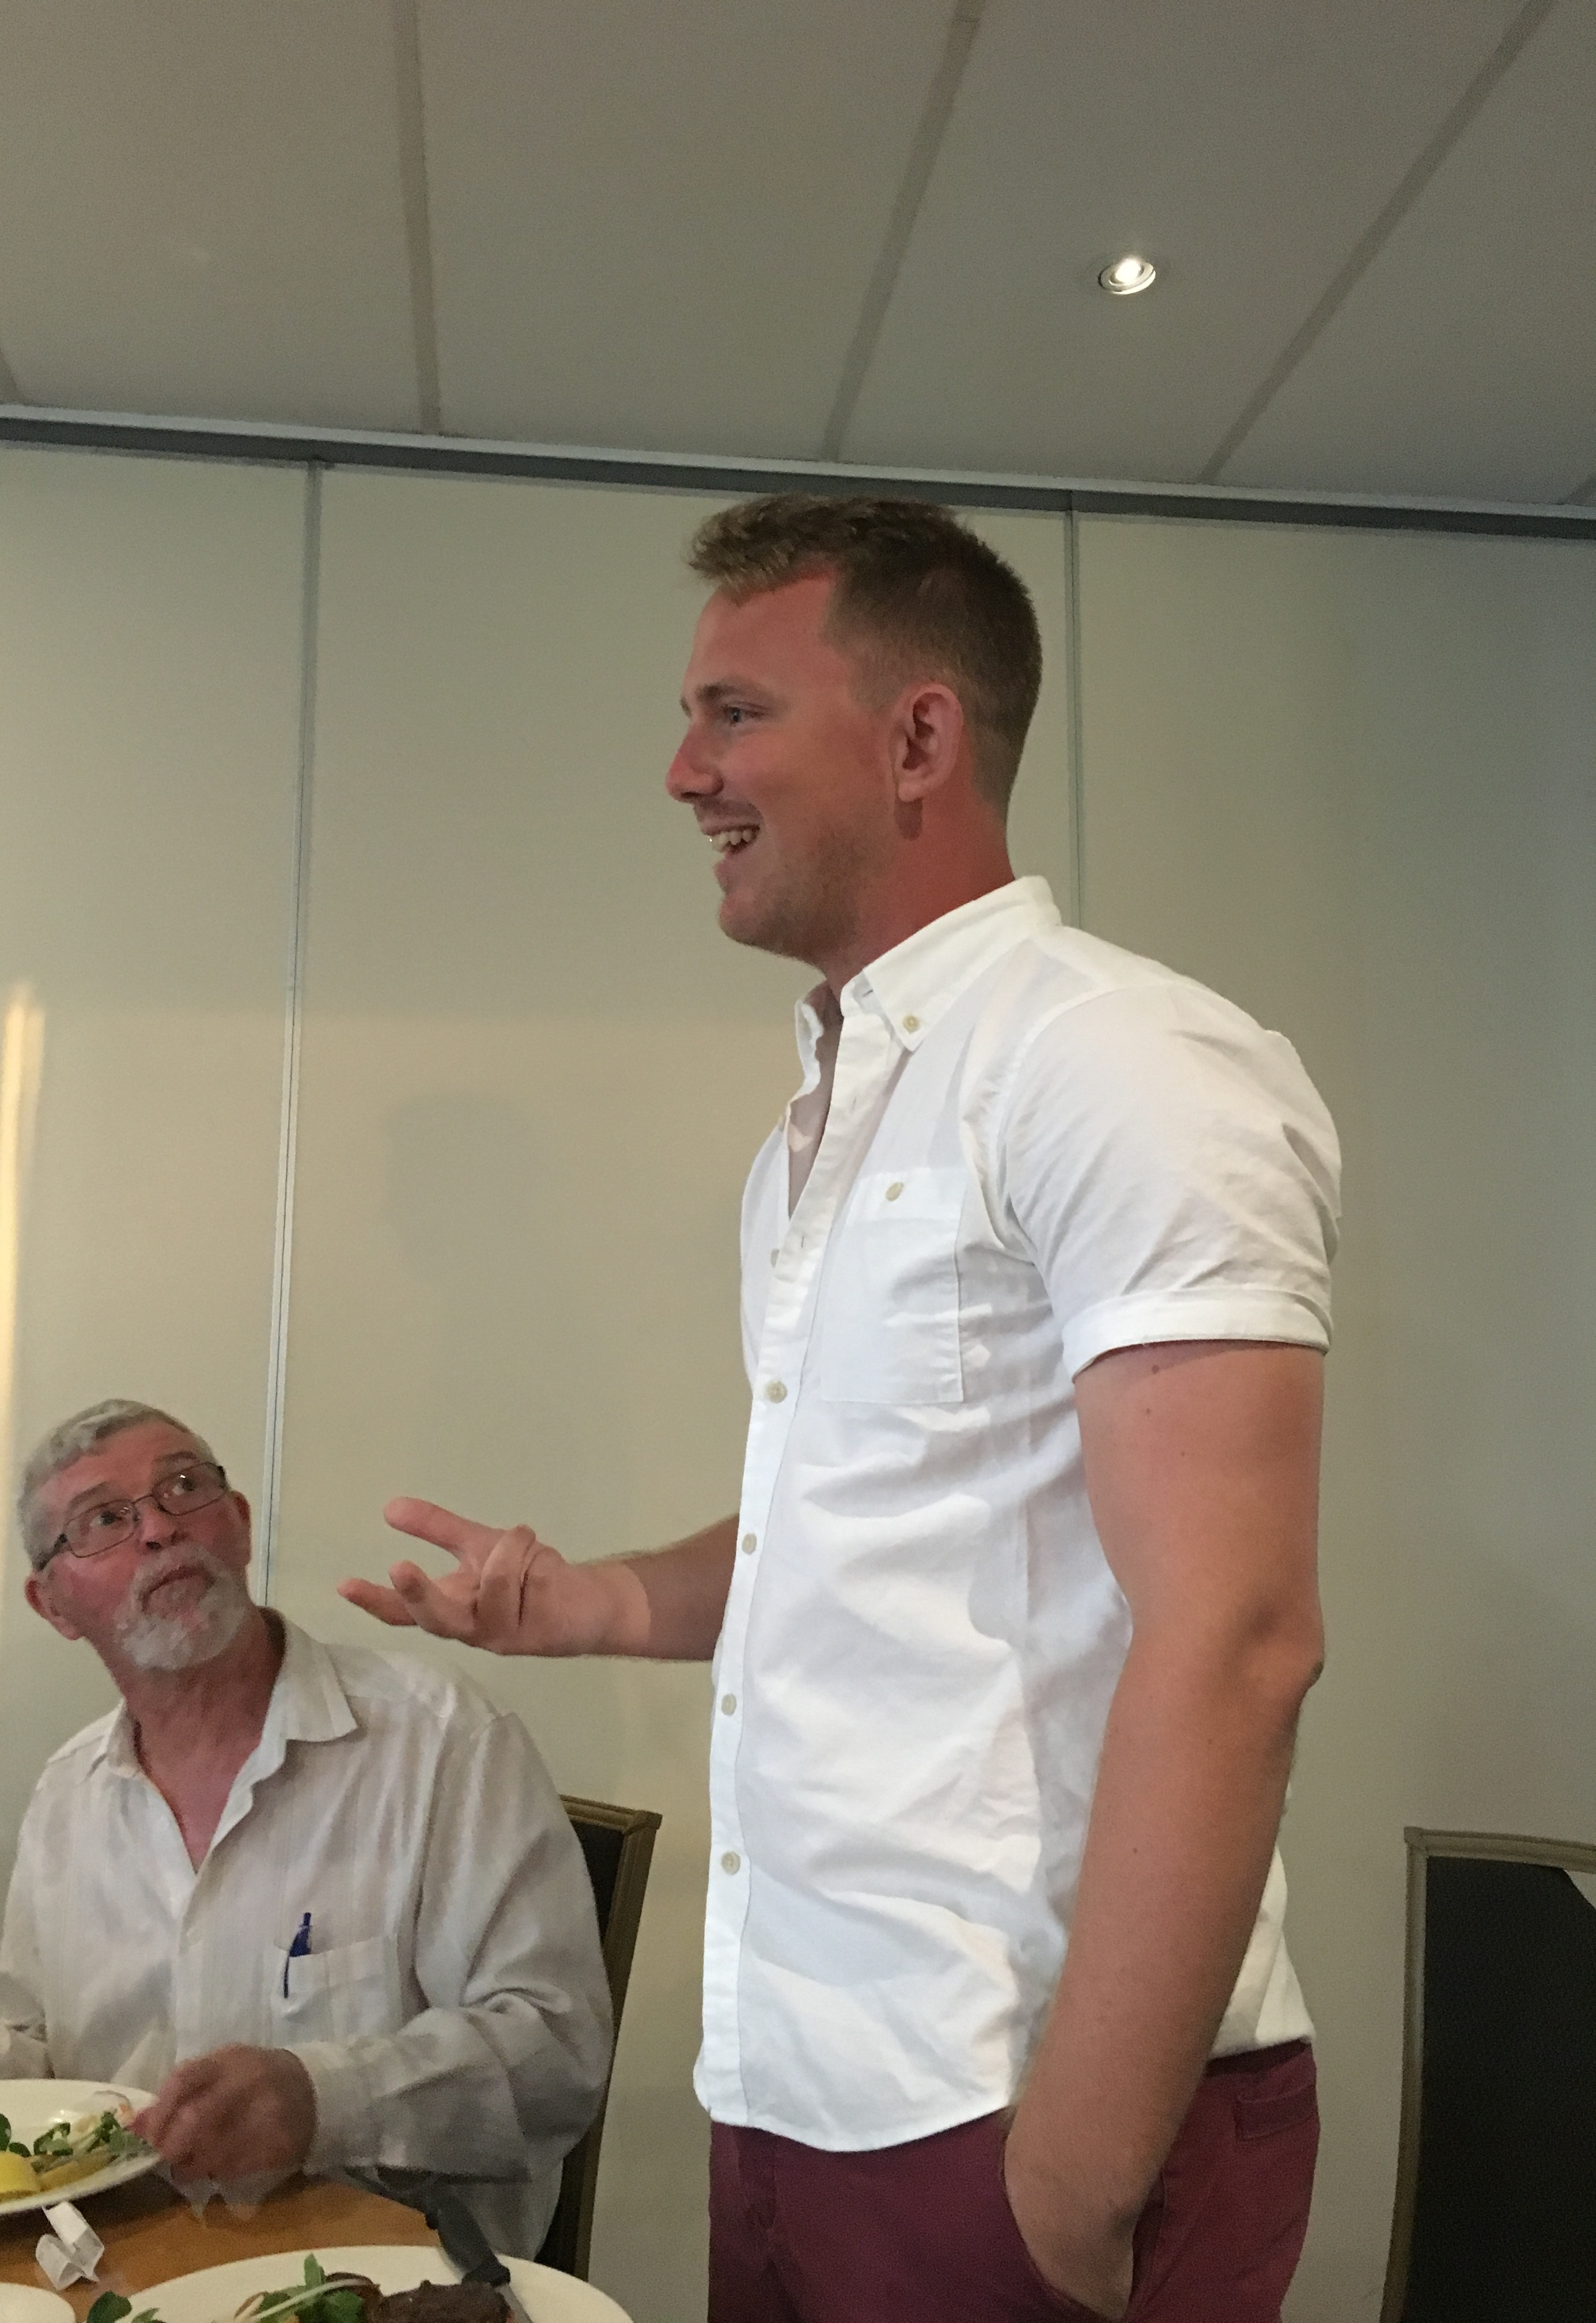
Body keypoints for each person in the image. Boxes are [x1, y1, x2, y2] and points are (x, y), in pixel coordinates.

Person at [340, 494, 1341, 2322]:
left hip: (1018, 2109)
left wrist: (1069, 2182)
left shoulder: (1113, 1059)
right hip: (799, 2087)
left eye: (734, 713)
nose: (681, 772)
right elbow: (866, 1523)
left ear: (919, 740)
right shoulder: (818, 1133)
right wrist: (592, 1604)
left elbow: (1243, 1635)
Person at [0, 1399, 612, 2256]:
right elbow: (51, 2057)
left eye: (183, 1486)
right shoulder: (69, 1793)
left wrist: (324, 2101)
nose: (159, 1530)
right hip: (129, 2273)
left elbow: (558, 2057)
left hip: (388, 2282)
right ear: (53, 1604)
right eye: (104, 1519)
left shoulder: (441, 1741)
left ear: (240, 1525)